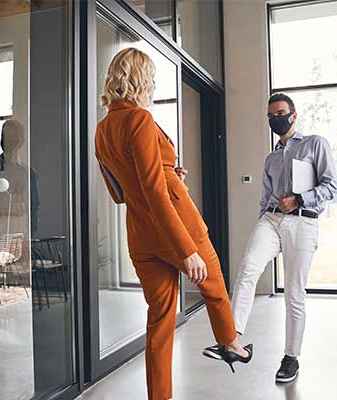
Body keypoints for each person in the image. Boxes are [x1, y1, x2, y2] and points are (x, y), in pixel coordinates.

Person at [95, 48, 252, 400]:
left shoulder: (102, 130)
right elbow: (153, 190)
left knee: (160, 320)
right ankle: (230, 344)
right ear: (137, 78)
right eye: (149, 75)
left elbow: (121, 192)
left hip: (140, 236)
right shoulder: (140, 120)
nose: (152, 82)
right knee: (214, 286)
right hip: (178, 228)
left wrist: (172, 175)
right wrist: (186, 250)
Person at [208, 93, 337, 384]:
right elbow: (265, 197)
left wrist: (301, 199)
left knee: (294, 293)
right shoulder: (271, 158)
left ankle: (291, 358)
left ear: (293, 115)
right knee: (247, 269)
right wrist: (265, 219)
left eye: (279, 113)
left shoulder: (314, 144)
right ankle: (232, 341)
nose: (274, 119)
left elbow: (332, 187)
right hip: (271, 219)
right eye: (269, 116)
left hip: (303, 222)